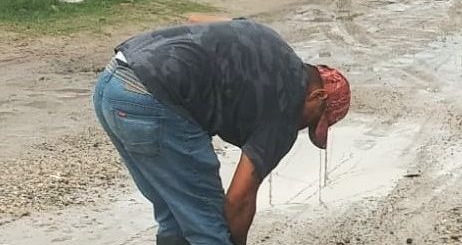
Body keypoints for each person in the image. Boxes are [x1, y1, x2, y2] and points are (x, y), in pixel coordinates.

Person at [92, 15, 351, 245]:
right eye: (314, 120)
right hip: (153, 97)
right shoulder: (286, 107)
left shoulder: (269, 40)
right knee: (208, 226)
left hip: (112, 83)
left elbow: (198, 19)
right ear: (317, 96)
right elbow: (239, 201)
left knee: (176, 213)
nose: (302, 127)